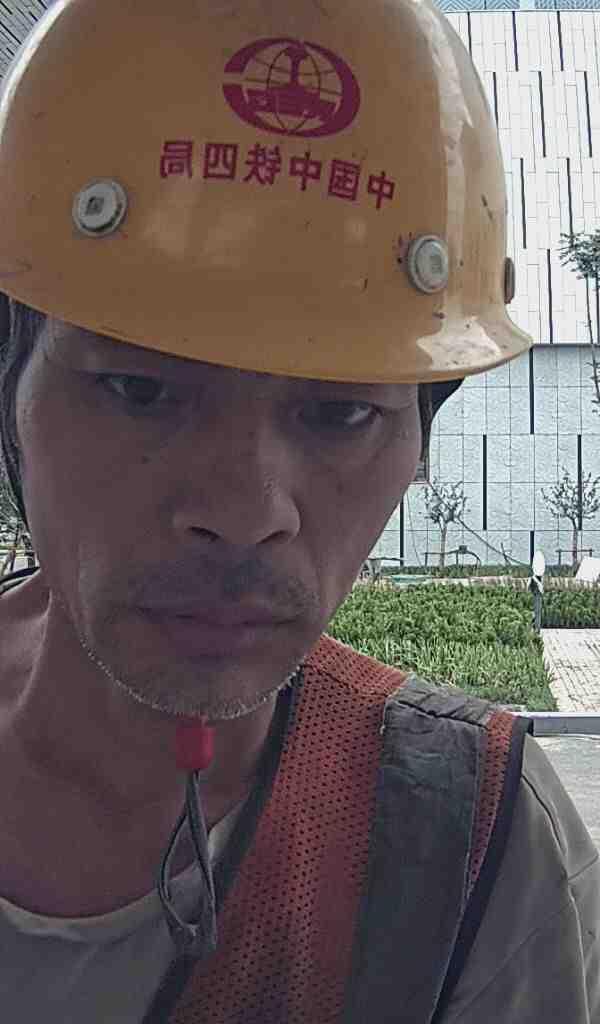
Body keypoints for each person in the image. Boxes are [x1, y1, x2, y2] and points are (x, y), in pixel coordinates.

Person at [0, 1, 597, 1021]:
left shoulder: (476, 859)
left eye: (342, 413)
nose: (243, 512)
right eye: (139, 389)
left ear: (416, 444)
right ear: (12, 398)